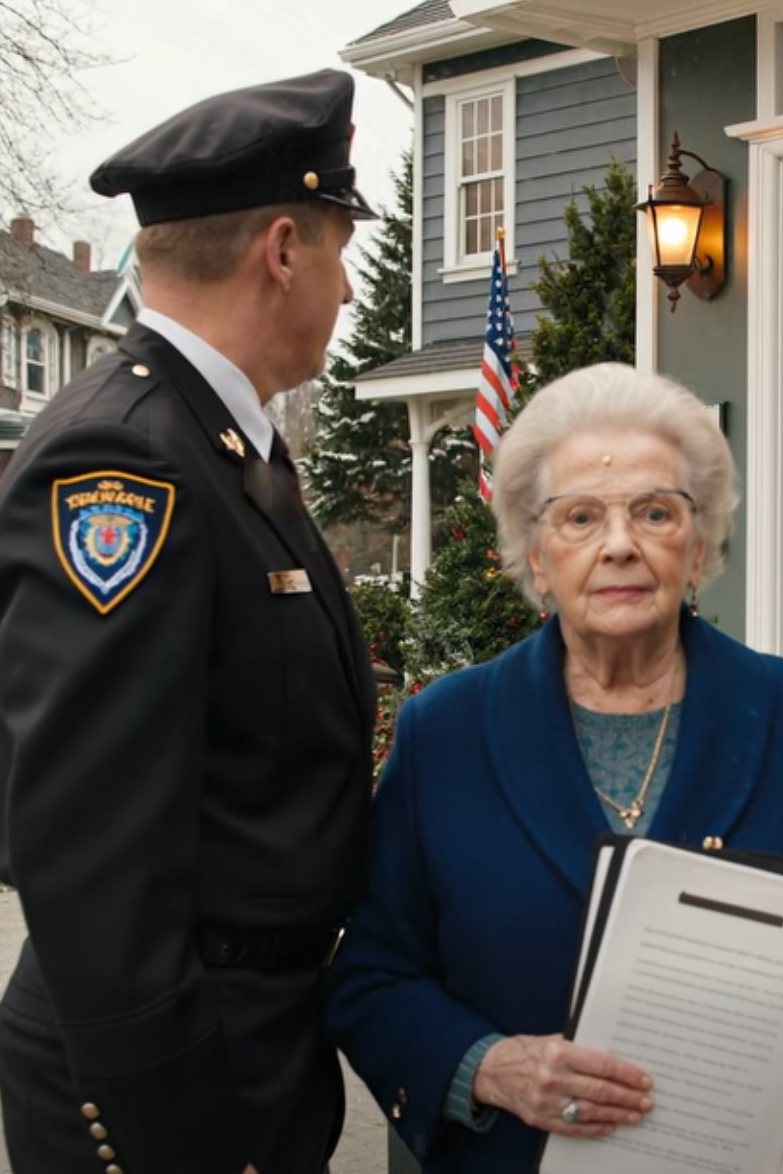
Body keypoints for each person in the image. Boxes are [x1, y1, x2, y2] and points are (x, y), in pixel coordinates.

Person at [323, 363, 783, 1174]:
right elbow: (371, 976)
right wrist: (486, 1066)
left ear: (700, 548)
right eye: (579, 517)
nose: (619, 544)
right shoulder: (446, 731)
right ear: (536, 557)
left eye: (654, 512)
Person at [0, 72, 379, 1174]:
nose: (350, 290)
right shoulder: (125, 459)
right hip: (168, 1069)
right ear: (280, 250)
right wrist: (176, 1125)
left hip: (251, 1028)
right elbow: (87, 846)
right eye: (340, 250)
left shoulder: (225, 445)